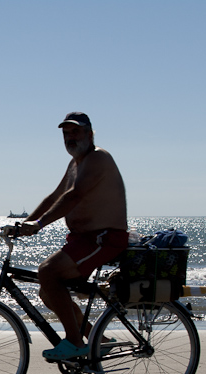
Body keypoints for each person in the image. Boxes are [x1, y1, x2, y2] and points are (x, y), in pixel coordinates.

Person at [19, 112, 128, 361]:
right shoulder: (76, 163)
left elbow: (73, 196)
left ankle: (75, 342)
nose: (70, 137)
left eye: (75, 132)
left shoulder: (98, 158)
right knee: (47, 290)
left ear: (90, 134)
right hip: (83, 240)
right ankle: (98, 340)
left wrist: (38, 224)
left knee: (48, 272)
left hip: (104, 238)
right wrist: (24, 225)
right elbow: (56, 195)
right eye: (66, 133)